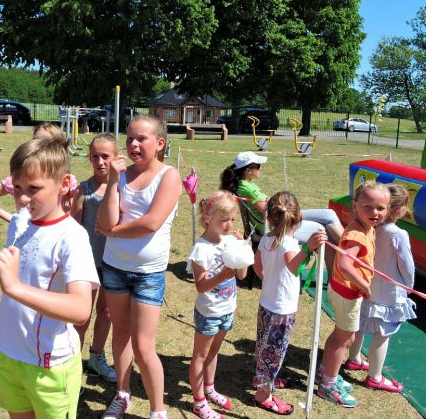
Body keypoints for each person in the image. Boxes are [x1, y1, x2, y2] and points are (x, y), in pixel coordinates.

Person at [0, 136, 99, 418]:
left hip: (49, 365)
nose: (22, 198)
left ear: (64, 184)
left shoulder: (72, 237)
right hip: (9, 355)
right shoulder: (19, 224)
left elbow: (81, 309)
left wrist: (15, 287)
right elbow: (11, 295)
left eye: (33, 189)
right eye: (17, 187)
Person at [97, 114, 181, 419]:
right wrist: (111, 182)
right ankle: (122, 394)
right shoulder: (119, 175)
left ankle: (158, 410)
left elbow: (151, 223)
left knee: (144, 347)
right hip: (115, 267)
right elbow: (105, 220)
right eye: (130, 138)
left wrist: (113, 232)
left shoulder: (169, 176)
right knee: (120, 332)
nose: (133, 144)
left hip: (148, 274)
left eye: (141, 139)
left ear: (159, 143)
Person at [252, 192, 326, 415]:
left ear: (269, 218)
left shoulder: (266, 239)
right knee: (274, 351)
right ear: (299, 218)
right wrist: (308, 248)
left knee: (263, 346)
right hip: (281, 310)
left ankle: (264, 379)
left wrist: (268, 280)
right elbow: (294, 267)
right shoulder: (288, 244)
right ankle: (263, 394)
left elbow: (257, 265)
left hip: (267, 303)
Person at [317, 180, 390, 408]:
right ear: (355, 205)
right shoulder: (358, 234)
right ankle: (328, 384)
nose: (374, 213)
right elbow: (345, 265)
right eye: (368, 207)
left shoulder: (367, 228)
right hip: (347, 292)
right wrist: (364, 285)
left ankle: (326, 371)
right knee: (343, 339)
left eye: (380, 208)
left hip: (344, 290)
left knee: (344, 337)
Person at [220, 151, 344, 274]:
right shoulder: (247, 188)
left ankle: (343, 257)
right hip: (280, 222)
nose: (260, 168)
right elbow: (270, 210)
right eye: (258, 166)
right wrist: (283, 203)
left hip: (277, 220)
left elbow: (268, 204)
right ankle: (349, 250)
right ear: (248, 170)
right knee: (326, 226)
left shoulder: (243, 185)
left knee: (329, 216)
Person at [346, 183, 416, 392]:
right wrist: (408, 286)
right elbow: (407, 265)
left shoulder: (370, 228)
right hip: (388, 291)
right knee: (383, 333)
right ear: (399, 209)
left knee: (361, 323)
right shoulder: (398, 234)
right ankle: (375, 376)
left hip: (367, 285)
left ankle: (354, 358)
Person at [186, 191, 248, 419]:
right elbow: (201, 286)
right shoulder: (201, 249)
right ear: (208, 219)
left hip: (227, 309)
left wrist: (242, 249)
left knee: (214, 352)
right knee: (200, 356)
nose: (229, 225)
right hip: (209, 312)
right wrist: (222, 275)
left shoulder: (230, 240)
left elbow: (242, 275)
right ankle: (198, 402)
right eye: (224, 220)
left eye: (232, 219)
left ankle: (209, 388)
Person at [71, 133, 119, 384]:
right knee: (82, 315)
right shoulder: (84, 189)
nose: (100, 162)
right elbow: (73, 226)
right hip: (87, 263)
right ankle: (71, 363)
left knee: (107, 312)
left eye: (105, 156)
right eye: (94, 156)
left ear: (116, 158)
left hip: (113, 262)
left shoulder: (122, 188)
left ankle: (96, 357)